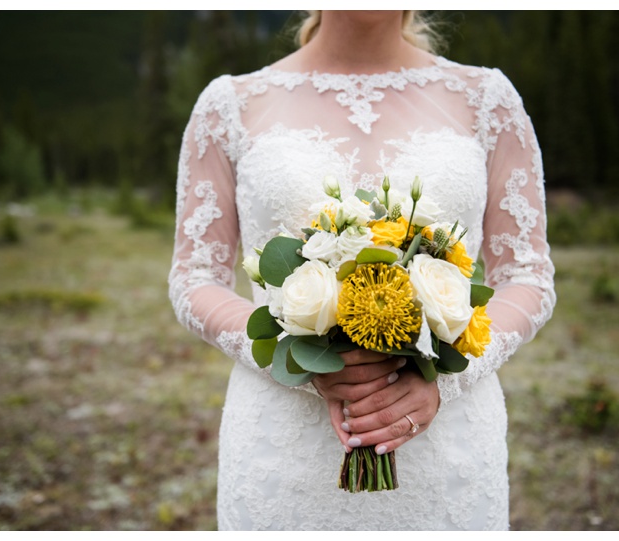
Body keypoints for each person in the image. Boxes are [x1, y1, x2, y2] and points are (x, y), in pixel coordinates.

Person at [168, 10, 555, 530]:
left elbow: (527, 275)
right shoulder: (230, 105)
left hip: (447, 450)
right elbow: (195, 278)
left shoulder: (488, 100)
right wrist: (303, 365)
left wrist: (445, 383)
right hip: (285, 449)